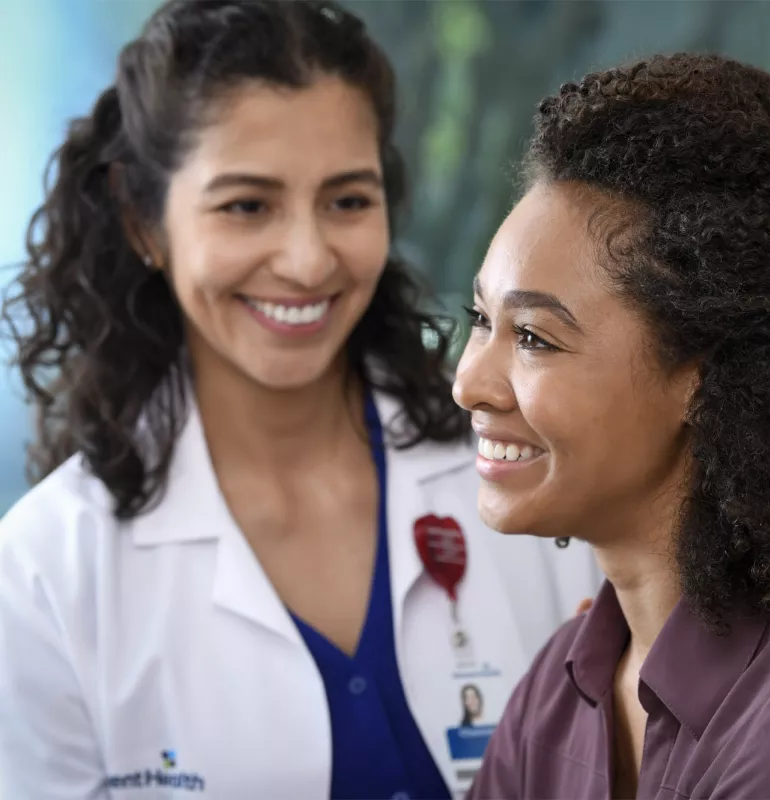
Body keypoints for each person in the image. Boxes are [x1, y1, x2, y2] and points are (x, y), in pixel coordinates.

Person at [0, 2, 601, 799]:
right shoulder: (44, 575)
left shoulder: (528, 474)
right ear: (142, 220)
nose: (308, 260)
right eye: (247, 206)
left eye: (347, 201)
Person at [454, 52, 770, 799]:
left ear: (703, 378)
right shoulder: (561, 685)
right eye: (480, 320)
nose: (468, 383)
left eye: (535, 339)